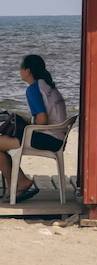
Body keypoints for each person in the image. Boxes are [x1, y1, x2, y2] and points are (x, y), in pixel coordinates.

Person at [0, 55, 69, 203]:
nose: (19, 71)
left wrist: (25, 125)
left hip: (48, 139)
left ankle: (21, 183)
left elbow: (42, 120)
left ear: (28, 70)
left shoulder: (33, 89)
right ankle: (20, 183)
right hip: (57, 138)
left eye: (21, 67)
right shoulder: (47, 86)